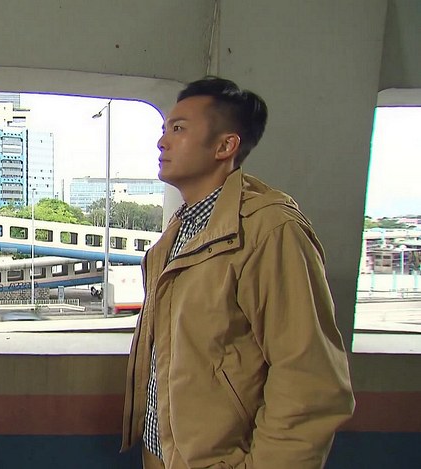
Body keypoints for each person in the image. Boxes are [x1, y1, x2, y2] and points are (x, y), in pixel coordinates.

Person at [121, 77, 354, 469]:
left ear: (225, 146)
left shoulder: (270, 231)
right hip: (161, 454)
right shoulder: (175, 235)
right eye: (164, 129)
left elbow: (310, 380)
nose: (162, 142)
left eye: (178, 129)